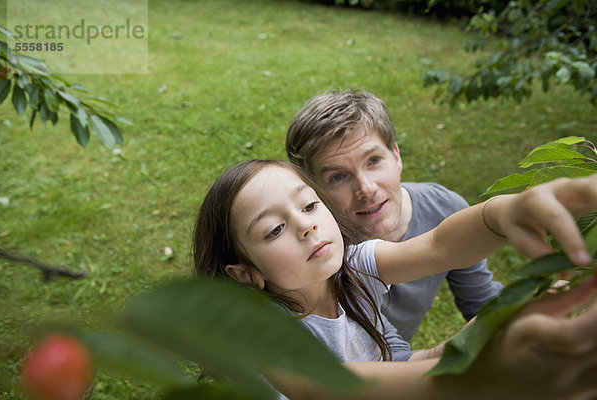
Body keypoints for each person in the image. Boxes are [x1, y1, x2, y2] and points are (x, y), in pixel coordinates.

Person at [192, 159, 597, 399]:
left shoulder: (354, 267)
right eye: (274, 230)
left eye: (310, 205)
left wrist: (502, 214)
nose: (306, 227)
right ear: (245, 274)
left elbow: (439, 246)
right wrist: (471, 379)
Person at [286, 89, 503, 341]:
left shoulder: (445, 210)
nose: (366, 189)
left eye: (374, 160)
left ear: (396, 156)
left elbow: (481, 303)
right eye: (338, 177)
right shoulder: (316, 253)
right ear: (314, 190)